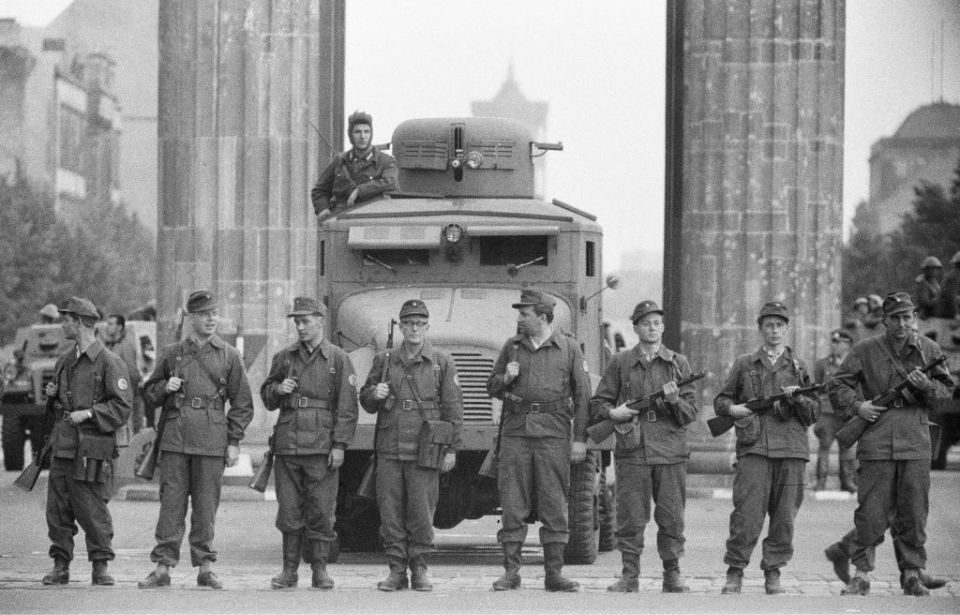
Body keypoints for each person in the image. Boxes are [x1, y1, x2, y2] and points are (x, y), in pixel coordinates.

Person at [827, 292, 954, 597]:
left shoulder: (930, 350)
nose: (901, 323)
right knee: (871, 511)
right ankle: (861, 574)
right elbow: (837, 384)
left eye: (906, 317)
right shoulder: (866, 349)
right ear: (884, 320)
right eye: (894, 317)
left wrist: (927, 386)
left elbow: (947, 392)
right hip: (877, 440)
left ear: (914, 319)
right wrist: (858, 407)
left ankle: (911, 574)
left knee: (913, 512)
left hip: (915, 441)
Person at [138, 290, 255, 590]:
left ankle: (205, 567)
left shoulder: (229, 355)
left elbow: (242, 403)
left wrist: (234, 441)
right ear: (191, 318)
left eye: (215, 313)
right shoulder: (172, 352)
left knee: (206, 507)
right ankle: (163, 567)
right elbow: (149, 394)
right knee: (171, 505)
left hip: (212, 439)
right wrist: (166, 387)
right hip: (176, 438)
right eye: (204, 314)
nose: (211, 319)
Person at [590, 300, 699, 593]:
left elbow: (691, 413)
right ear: (636, 327)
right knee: (631, 515)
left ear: (662, 328)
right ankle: (629, 575)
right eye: (646, 323)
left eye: (657, 323)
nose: (652, 328)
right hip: (633, 447)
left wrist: (674, 401)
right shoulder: (621, 362)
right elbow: (599, 403)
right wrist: (614, 413)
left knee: (672, 515)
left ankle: (672, 573)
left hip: (670, 450)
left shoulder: (678, 363)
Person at [486, 289, 591, 593]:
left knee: (554, 503)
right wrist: (505, 379)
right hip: (516, 432)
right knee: (512, 503)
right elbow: (491, 386)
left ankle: (554, 573)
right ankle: (511, 572)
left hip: (554, 434)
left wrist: (580, 439)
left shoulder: (569, 348)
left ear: (543, 317)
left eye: (525, 313)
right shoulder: (512, 347)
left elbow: (583, 397)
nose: (519, 318)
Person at [714, 301, 820, 595]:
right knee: (746, 515)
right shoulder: (745, 363)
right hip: (755, 447)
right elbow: (721, 401)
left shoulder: (799, 367)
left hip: (792, 449)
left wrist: (797, 399)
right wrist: (735, 409)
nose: (774, 331)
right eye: (769, 325)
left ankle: (773, 572)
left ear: (787, 329)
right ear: (761, 329)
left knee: (784, 518)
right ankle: (735, 571)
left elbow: (813, 414)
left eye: (780, 325)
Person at [359, 299, 462, 592]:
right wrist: (374, 394)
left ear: (427, 327)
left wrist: (452, 448)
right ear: (401, 326)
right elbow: (365, 400)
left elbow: (453, 408)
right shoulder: (384, 360)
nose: (414, 329)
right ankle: (395, 570)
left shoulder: (442, 362)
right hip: (390, 446)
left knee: (421, 512)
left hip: (425, 447)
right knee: (390, 512)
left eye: (420, 323)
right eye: (409, 323)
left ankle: (419, 569)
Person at [260, 297, 358, 590]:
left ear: (321, 321)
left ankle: (320, 570)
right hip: (288, 445)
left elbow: (348, 407)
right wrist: (278, 389)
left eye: (305, 321)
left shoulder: (338, 358)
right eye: (297, 322)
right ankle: (289, 571)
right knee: (289, 512)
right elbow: (266, 396)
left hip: (321, 446)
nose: (300, 327)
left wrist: (340, 445)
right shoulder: (284, 357)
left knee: (321, 512)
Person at [41, 297, 132, 586]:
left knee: (92, 508)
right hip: (63, 443)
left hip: (92, 447)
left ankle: (100, 565)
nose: (62, 323)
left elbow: (122, 407)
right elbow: (55, 407)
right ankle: (60, 565)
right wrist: (52, 395)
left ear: (79, 322)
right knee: (58, 508)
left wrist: (90, 413)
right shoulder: (64, 359)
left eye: (66, 319)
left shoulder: (109, 362)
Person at [310, 110, 399, 223]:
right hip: (340, 220)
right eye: (357, 132)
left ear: (371, 134)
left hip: (371, 219)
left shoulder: (385, 161)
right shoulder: (340, 160)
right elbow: (319, 190)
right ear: (350, 134)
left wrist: (359, 191)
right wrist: (323, 208)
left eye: (366, 132)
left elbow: (392, 182)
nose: (362, 136)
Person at [812, 328, 856, 492]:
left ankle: (847, 482)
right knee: (824, 447)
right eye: (833, 342)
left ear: (847, 344)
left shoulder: (854, 364)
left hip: (847, 412)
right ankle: (820, 481)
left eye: (839, 342)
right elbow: (815, 388)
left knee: (847, 449)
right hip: (828, 412)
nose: (835, 345)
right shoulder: (823, 364)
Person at [100, 314, 144, 433]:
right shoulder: (109, 344)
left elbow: (131, 371)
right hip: (112, 393)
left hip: (124, 393)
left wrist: (129, 391)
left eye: (110, 324)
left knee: (128, 427)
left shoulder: (126, 345)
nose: (107, 327)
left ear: (119, 327)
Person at [940, 251, 960, 320]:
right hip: (946, 309)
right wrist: (956, 314)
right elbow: (952, 296)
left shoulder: (955, 273)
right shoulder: (954, 275)